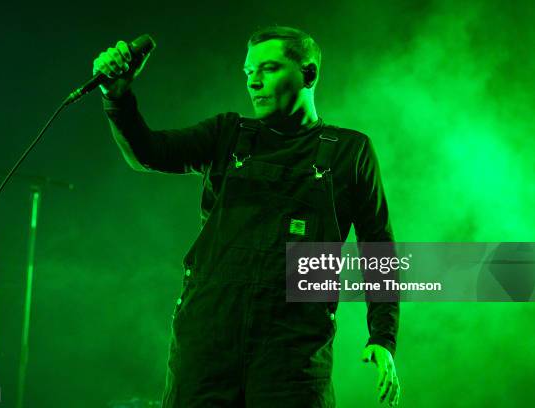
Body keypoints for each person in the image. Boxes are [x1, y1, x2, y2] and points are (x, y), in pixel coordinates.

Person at [94, 25, 400, 407]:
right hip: (206, 341)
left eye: (268, 68)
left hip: (293, 353)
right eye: (248, 72)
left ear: (308, 74)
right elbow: (150, 153)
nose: (253, 81)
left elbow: (378, 249)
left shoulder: (349, 152)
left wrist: (382, 338)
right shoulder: (227, 134)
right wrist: (117, 97)